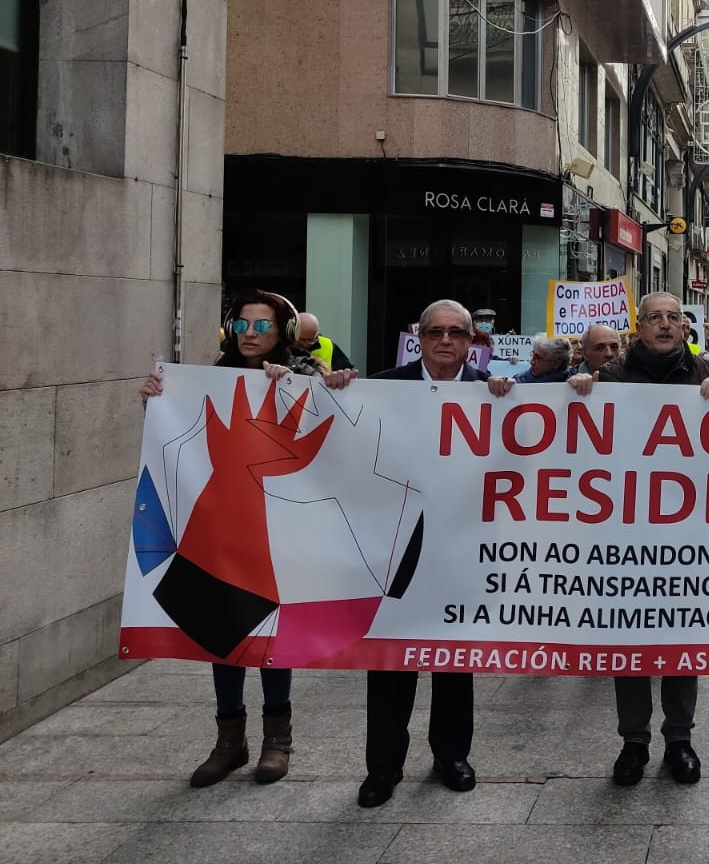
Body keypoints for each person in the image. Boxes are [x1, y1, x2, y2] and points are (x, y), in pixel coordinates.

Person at [138, 290, 356, 788]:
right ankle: (229, 741)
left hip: (273, 529)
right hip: (215, 529)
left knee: (269, 636)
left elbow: (336, 428)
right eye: (242, 325)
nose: (251, 333)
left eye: (262, 325)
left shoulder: (303, 375)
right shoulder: (205, 379)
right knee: (220, 632)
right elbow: (176, 439)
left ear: (282, 331)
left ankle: (277, 740)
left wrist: (315, 384)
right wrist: (155, 399)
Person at [360, 299, 515, 808]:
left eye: (456, 332)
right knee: (390, 662)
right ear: (419, 337)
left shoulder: (496, 394)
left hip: (460, 547)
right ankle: (383, 768)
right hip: (396, 548)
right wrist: (334, 387)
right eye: (435, 332)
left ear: (472, 342)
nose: (445, 340)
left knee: (454, 659)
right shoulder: (382, 387)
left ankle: (452, 756)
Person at [569, 292, 709, 787]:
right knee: (630, 637)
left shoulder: (707, 374)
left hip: (688, 533)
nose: (663, 325)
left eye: (672, 318)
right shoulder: (612, 377)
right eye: (654, 317)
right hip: (627, 532)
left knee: (681, 637)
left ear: (686, 328)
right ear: (638, 327)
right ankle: (633, 742)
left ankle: (680, 738)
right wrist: (573, 389)